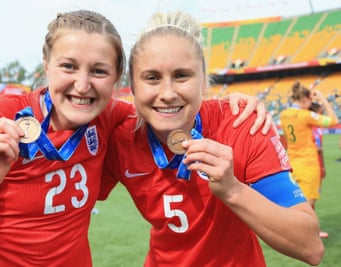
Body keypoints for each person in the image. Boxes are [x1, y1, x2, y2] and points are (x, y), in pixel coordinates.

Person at [0, 10, 268, 266]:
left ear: (116, 79)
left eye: (98, 71)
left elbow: (170, 107)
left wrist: (233, 104)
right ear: (46, 63)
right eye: (69, 66)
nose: (82, 86)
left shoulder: (113, 118)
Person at [97, 12, 324, 266]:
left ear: (203, 80)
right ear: (134, 88)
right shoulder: (121, 139)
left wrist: (233, 190)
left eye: (182, 75)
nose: (168, 93)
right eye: (152, 78)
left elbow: (310, 246)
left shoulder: (243, 124)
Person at [280, 82, 338, 239]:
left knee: (295, 199)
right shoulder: (305, 115)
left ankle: (298, 230)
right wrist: (324, 99)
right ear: (305, 98)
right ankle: (309, 233)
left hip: (292, 162)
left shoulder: (284, 114)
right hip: (308, 163)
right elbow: (333, 120)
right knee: (309, 202)